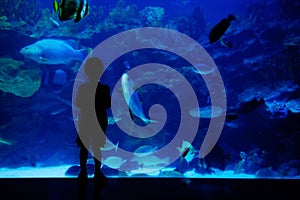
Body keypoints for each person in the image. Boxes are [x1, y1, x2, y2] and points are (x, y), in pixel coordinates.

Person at [75, 57, 111, 187]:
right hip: (100, 120)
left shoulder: (83, 88)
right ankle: (97, 172)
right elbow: (107, 105)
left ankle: (83, 172)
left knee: (84, 147)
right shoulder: (105, 88)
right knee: (97, 147)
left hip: (85, 119)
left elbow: (79, 104)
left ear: (86, 72)